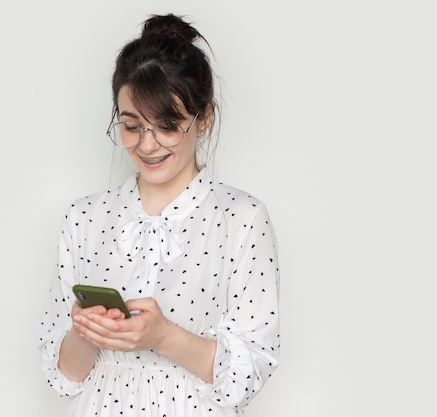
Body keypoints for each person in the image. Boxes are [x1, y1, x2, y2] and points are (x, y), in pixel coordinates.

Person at [38, 13, 281, 417]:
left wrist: (163, 335)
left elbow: (248, 371)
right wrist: (86, 331)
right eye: (132, 126)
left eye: (167, 126)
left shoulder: (242, 219)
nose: (147, 145)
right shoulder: (83, 218)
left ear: (203, 118)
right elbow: (63, 376)